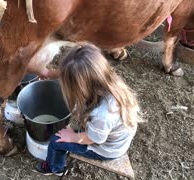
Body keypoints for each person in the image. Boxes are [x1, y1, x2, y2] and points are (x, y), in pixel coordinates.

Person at [35, 43, 141, 176]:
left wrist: (72, 137)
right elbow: (70, 71)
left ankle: (55, 167)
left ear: (82, 86)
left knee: (55, 141)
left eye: (71, 87)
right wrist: (48, 73)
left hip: (105, 149)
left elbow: (93, 139)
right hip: (113, 136)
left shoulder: (103, 114)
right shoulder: (108, 82)